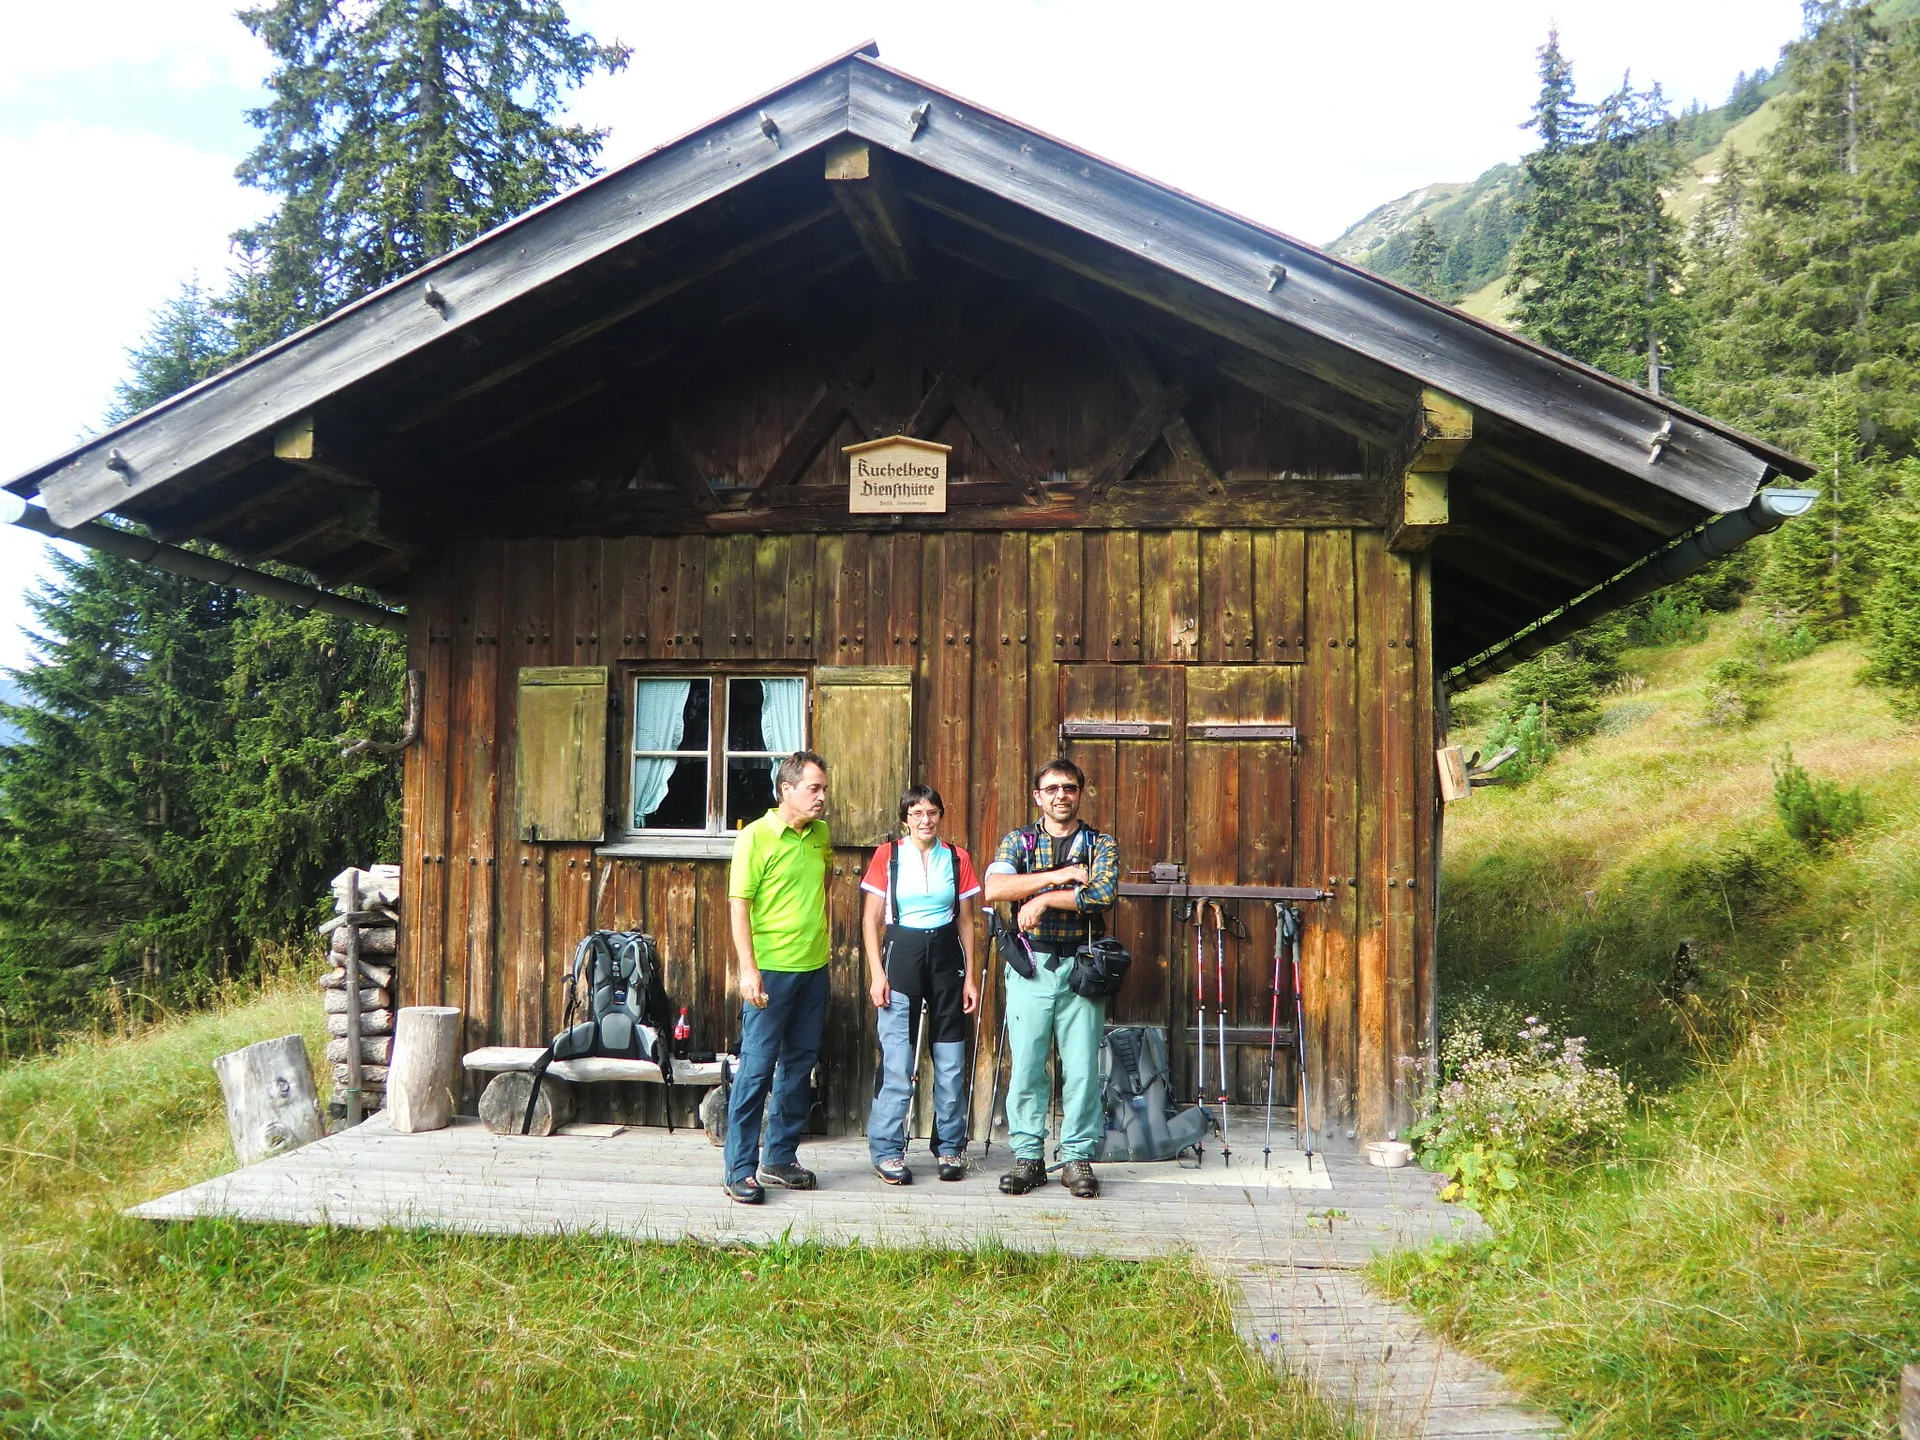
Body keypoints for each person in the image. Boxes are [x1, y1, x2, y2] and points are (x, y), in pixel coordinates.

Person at [981, 757, 1119, 1200]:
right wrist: (1061, 878)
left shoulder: (1101, 843)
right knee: (1027, 1066)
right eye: (1053, 788)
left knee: (1080, 1069)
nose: (1063, 795)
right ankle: (1028, 1157)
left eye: (1070, 787)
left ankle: (1077, 1158)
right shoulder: (1017, 840)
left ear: (1081, 792)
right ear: (1038, 796)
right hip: (1030, 965)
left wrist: (1041, 900)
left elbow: (1101, 894)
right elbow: (997, 888)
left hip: (1083, 968)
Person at [722, 750, 833, 1205]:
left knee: (800, 1066)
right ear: (786, 789)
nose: (823, 797)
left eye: (824, 788)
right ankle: (740, 1169)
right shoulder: (755, 837)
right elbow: (739, 905)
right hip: (769, 973)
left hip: (814, 969)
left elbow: (822, 886)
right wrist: (748, 970)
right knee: (756, 1068)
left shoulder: (821, 833)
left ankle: (780, 1158)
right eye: (814, 788)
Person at [861, 784, 982, 1184]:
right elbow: (870, 920)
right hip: (903, 953)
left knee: (950, 1058)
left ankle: (949, 1146)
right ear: (905, 819)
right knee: (898, 1057)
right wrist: (877, 973)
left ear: (940, 816)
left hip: (947, 957)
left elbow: (966, 920)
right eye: (916, 814)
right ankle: (888, 1149)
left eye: (932, 812)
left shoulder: (957, 857)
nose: (925, 820)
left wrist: (970, 976)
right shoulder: (888, 856)